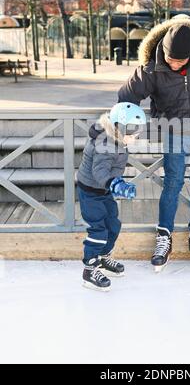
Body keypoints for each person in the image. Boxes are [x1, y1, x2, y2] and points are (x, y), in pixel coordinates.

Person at [118, 20, 190, 273]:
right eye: (170, 59)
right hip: (174, 131)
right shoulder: (151, 68)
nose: (173, 64)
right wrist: (127, 125)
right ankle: (164, 236)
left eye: (179, 61)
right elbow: (127, 96)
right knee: (173, 182)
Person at [77, 102, 146, 291]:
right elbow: (99, 172)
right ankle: (89, 269)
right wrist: (116, 184)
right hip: (91, 192)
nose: (136, 135)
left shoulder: (117, 138)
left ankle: (103, 258)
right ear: (119, 127)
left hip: (103, 191)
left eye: (138, 130)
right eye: (132, 130)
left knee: (113, 225)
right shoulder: (104, 144)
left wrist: (116, 184)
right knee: (98, 230)